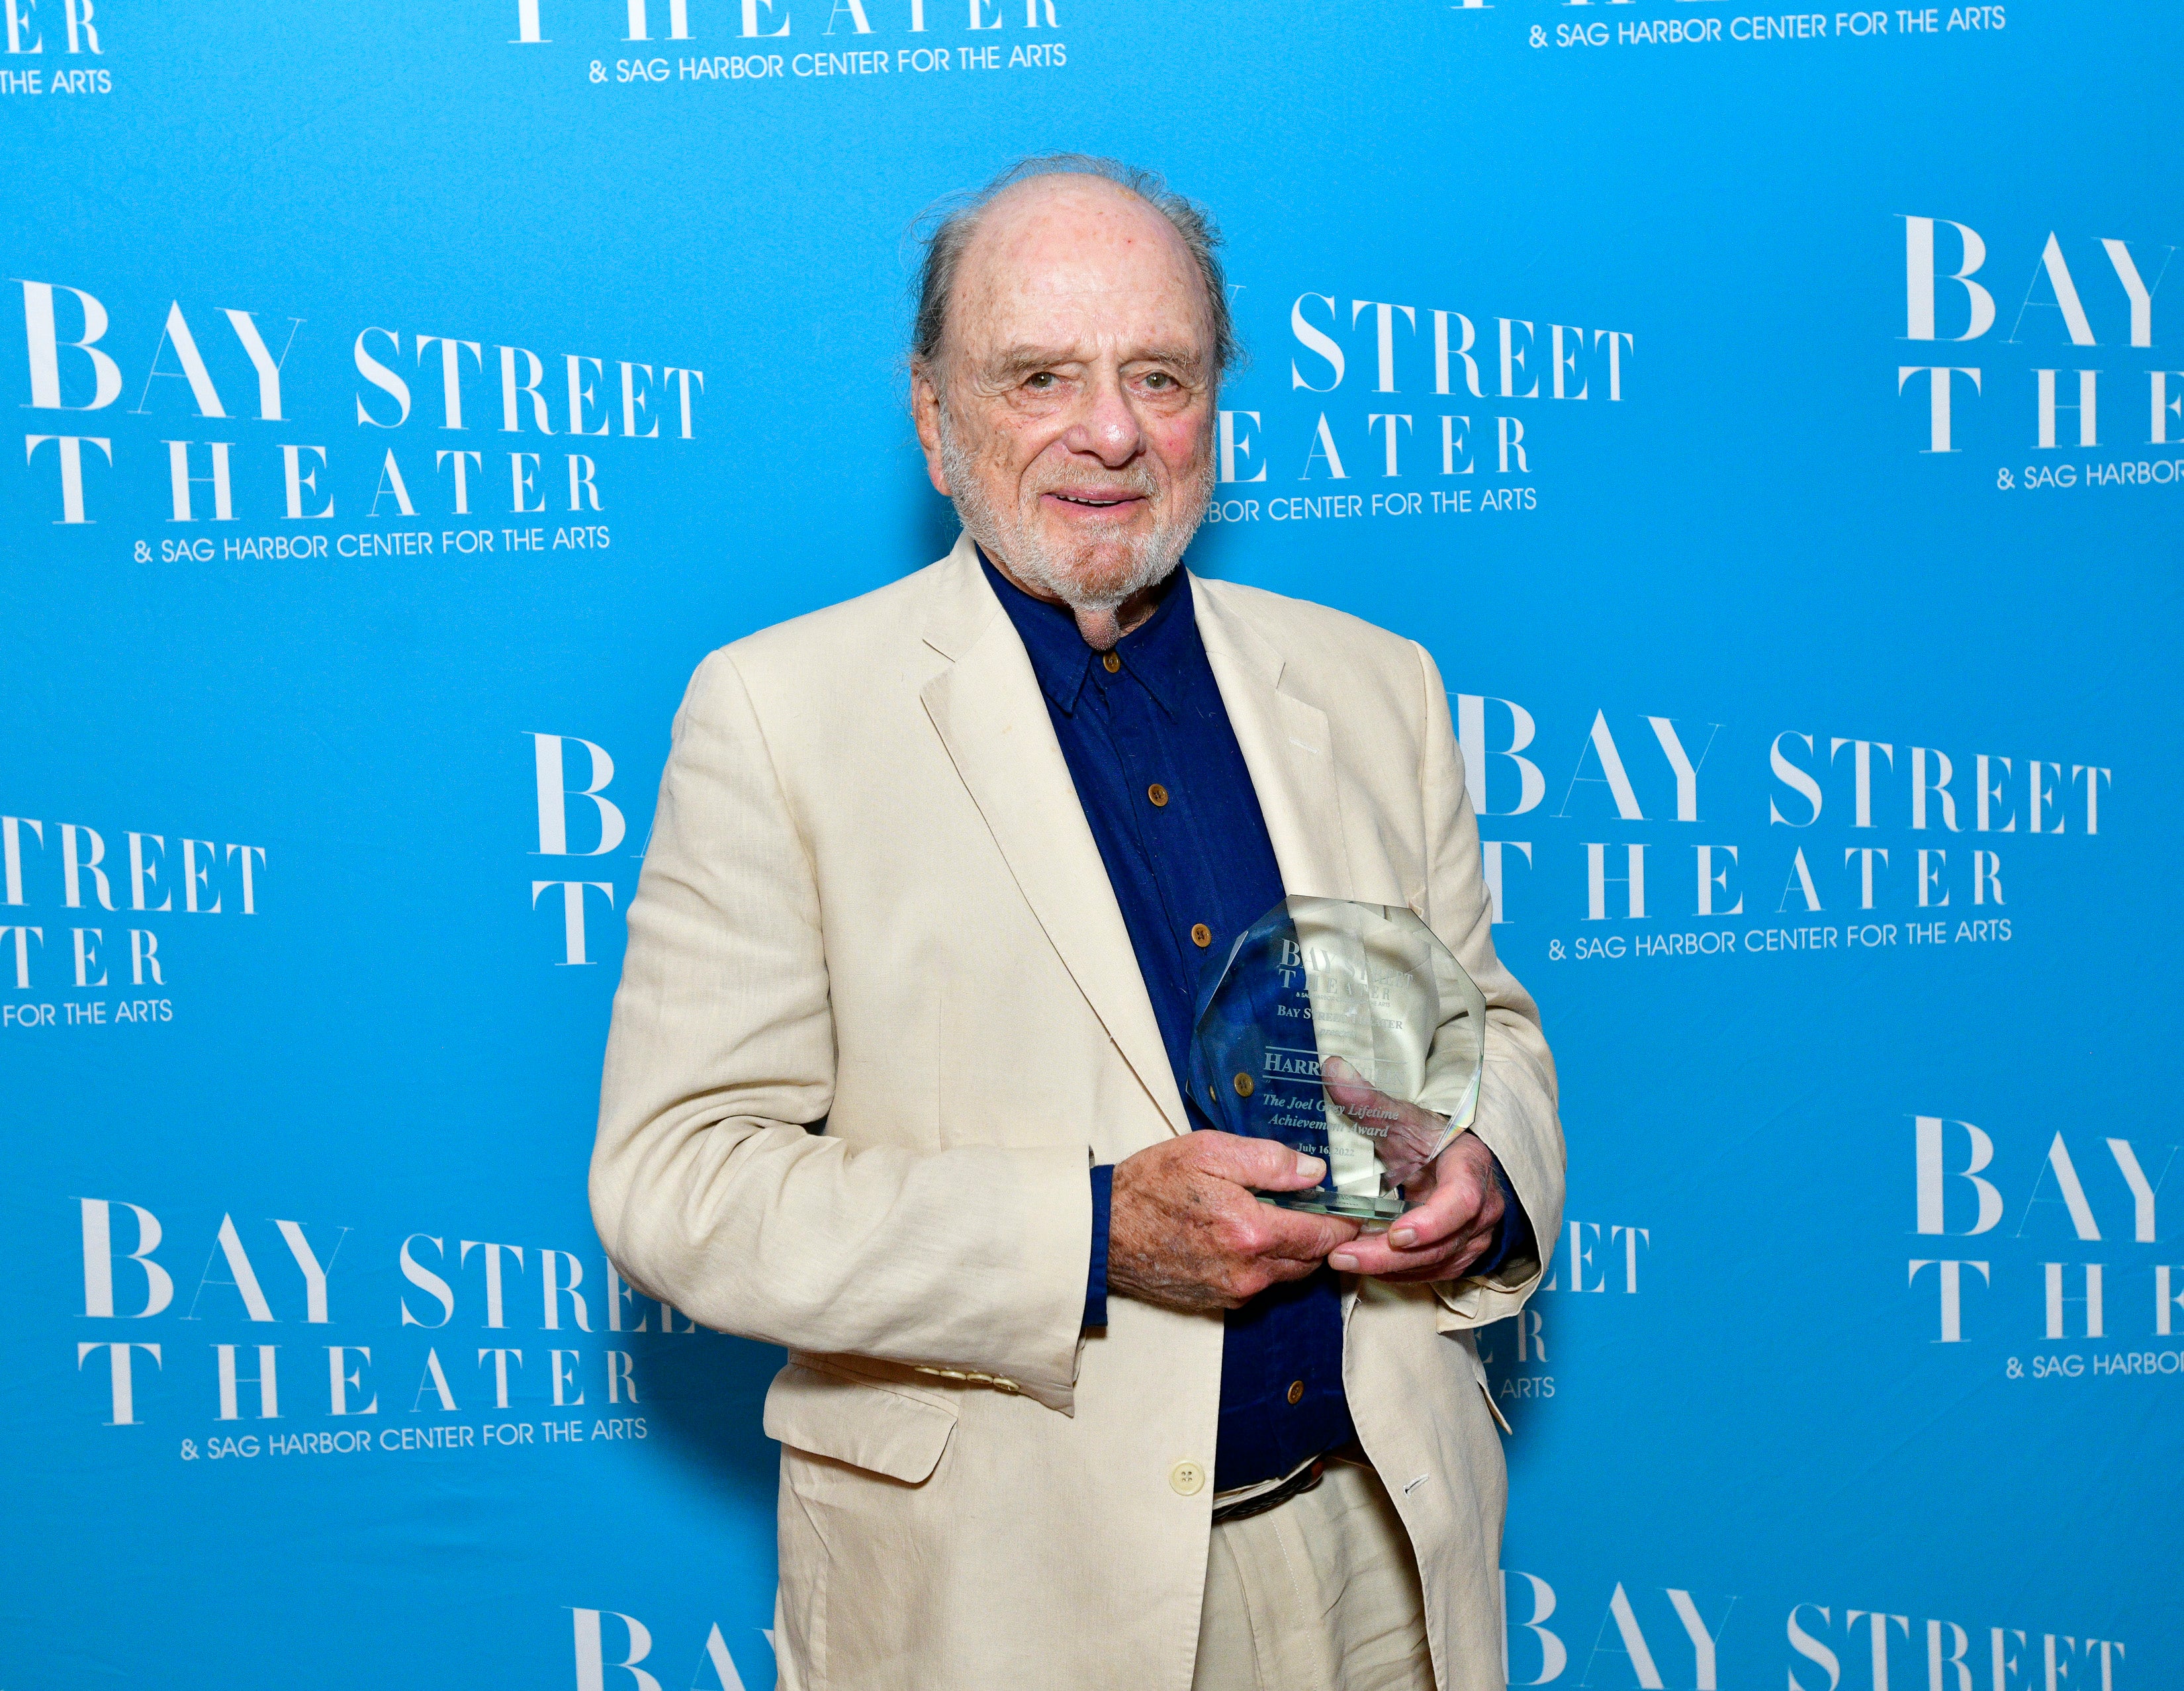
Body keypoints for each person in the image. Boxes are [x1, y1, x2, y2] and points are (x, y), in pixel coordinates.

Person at [591, 155, 1565, 1691]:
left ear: (1216, 404)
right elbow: (679, 1186)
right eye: (1039, 375)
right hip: (1010, 1605)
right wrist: (1099, 1232)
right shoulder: (781, 715)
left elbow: (1489, 1029)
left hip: (1387, 1554)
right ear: (932, 413)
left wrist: (1486, 1166)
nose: (1109, 432)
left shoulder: (1377, 684)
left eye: (1158, 377)